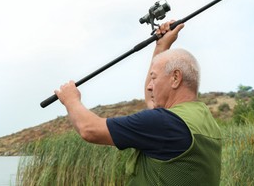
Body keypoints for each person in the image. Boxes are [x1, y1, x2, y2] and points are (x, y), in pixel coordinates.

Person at [55, 20, 222, 185]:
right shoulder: (203, 119)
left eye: (154, 78)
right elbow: (152, 101)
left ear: (175, 78)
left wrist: (71, 100)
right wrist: (161, 46)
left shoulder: (164, 123)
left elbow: (89, 130)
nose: (149, 86)